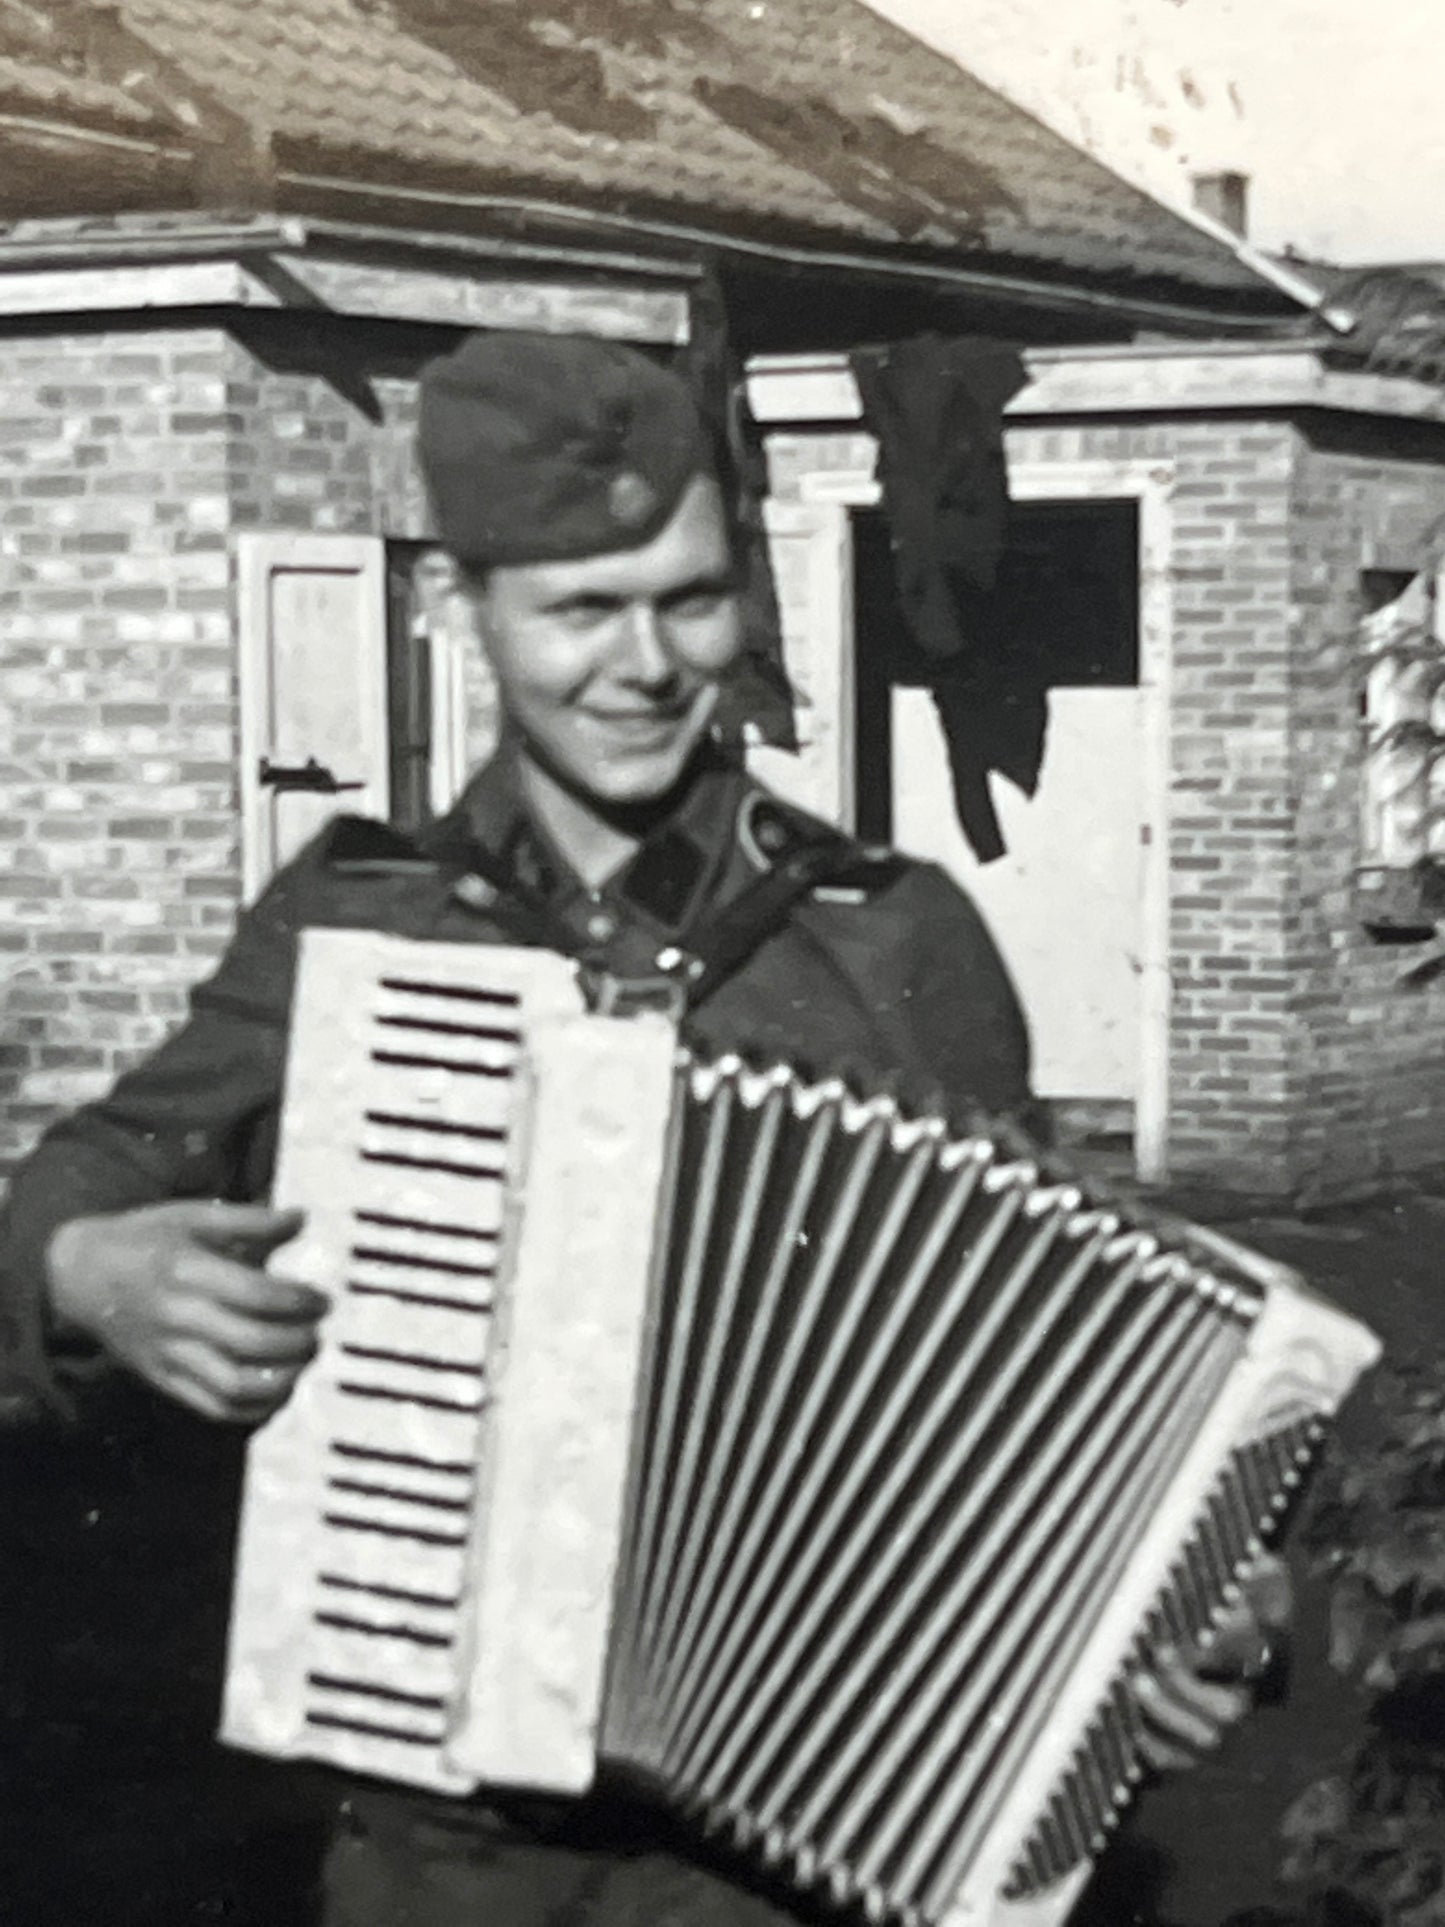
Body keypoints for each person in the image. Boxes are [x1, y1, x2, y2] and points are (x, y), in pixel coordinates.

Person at [0, 331, 1287, 1927]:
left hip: (818, 1841)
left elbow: (1060, 1390)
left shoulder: (893, 941)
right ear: (464, 612)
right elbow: (88, 1176)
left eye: (688, 598)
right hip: (435, 1848)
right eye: (579, 609)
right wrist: (80, 1265)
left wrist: (1188, 1609)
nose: (644, 664)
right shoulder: (359, 928)